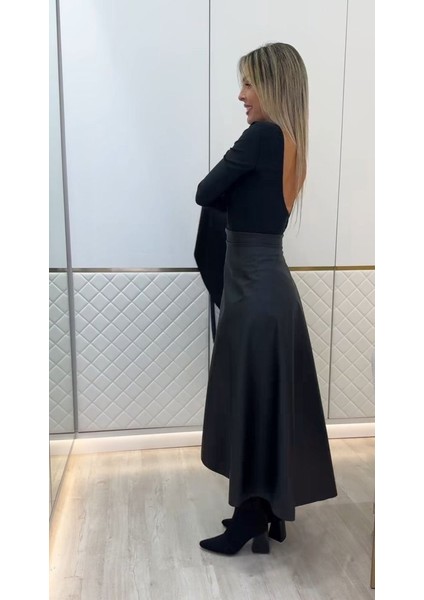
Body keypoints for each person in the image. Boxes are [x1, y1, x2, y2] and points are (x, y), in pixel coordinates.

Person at [194, 42, 337, 556]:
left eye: (249, 83)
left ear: (273, 86)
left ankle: (250, 515)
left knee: (251, 400)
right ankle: (269, 508)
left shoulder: (262, 137)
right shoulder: (293, 142)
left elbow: (205, 191)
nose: (242, 95)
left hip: (254, 293)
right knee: (264, 400)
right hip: (271, 289)